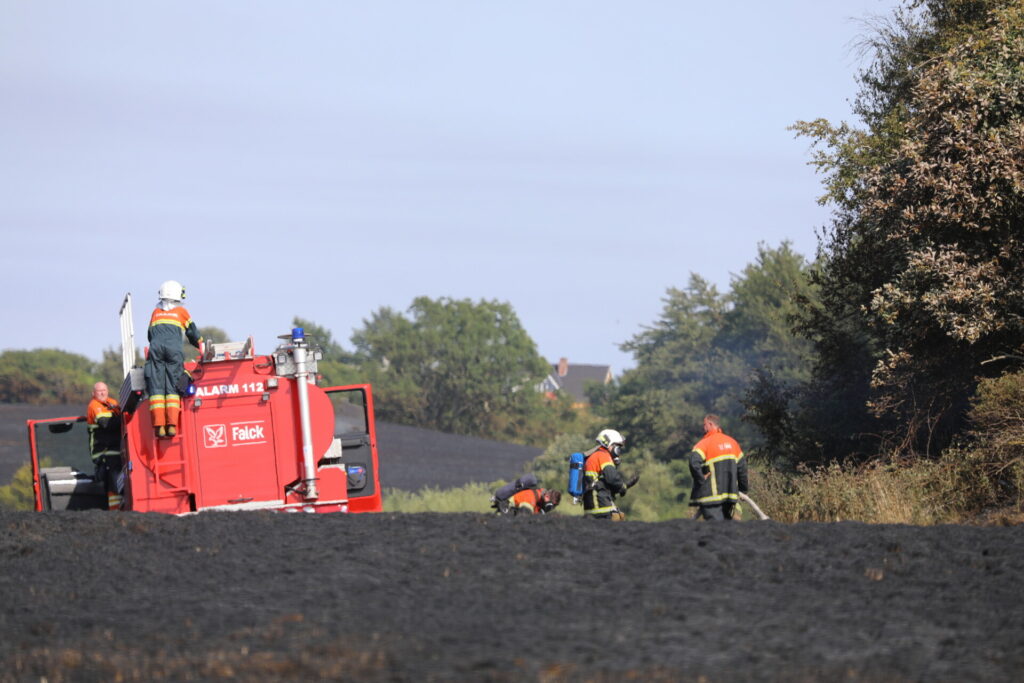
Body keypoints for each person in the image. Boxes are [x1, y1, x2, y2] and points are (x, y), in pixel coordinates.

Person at [144, 280, 202, 439]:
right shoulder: (182, 312)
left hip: (156, 351)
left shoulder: (156, 312)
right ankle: (171, 425)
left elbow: (149, 335)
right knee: (172, 387)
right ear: (178, 295)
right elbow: (192, 333)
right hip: (174, 352)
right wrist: (200, 344)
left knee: (157, 387)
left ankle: (159, 426)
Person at [689, 414, 748, 521]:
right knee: (726, 527)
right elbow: (742, 469)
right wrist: (743, 490)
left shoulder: (704, 444)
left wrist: (701, 479)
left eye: (704, 425)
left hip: (711, 496)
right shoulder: (733, 443)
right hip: (730, 497)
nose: (703, 428)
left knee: (715, 528)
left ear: (710, 424)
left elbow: (693, 462)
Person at [583, 428, 639, 520]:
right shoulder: (603, 455)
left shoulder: (597, 455)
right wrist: (622, 486)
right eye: (618, 447)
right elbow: (612, 478)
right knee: (613, 522)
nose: (619, 451)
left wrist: (625, 486)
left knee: (617, 518)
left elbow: (604, 483)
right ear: (610, 444)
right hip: (599, 503)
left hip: (595, 502)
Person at [86, 381, 123, 509]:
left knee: (120, 481)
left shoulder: (112, 402)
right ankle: (115, 511)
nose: (102, 393)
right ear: (93, 393)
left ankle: (121, 507)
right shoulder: (94, 406)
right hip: (104, 451)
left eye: (104, 390)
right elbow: (106, 424)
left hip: (117, 449)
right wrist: (123, 416)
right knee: (113, 483)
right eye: (99, 391)